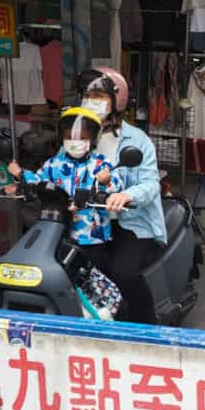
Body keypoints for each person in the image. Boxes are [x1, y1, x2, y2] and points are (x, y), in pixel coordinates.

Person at [77, 67, 167, 323]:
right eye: (87, 96)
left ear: (116, 100)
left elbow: (150, 184)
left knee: (123, 271)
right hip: (89, 220)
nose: (92, 102)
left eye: (99, 96)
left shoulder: (137, 140)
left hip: (131, 223)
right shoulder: (77, 136)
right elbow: (60, 167)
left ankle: (147, 326)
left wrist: (126, 195)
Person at [7, 107, 121, 261]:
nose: (76, 142)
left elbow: (117, 188)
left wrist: (107, 181)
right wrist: (20, 175)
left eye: (82, 138)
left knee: (95, 276)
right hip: (59, 231)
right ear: (62, 139)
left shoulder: (101, 163)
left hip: (93, 236)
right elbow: (38, 181)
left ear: (93, 139)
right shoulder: (54, 163)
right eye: (70, 137)